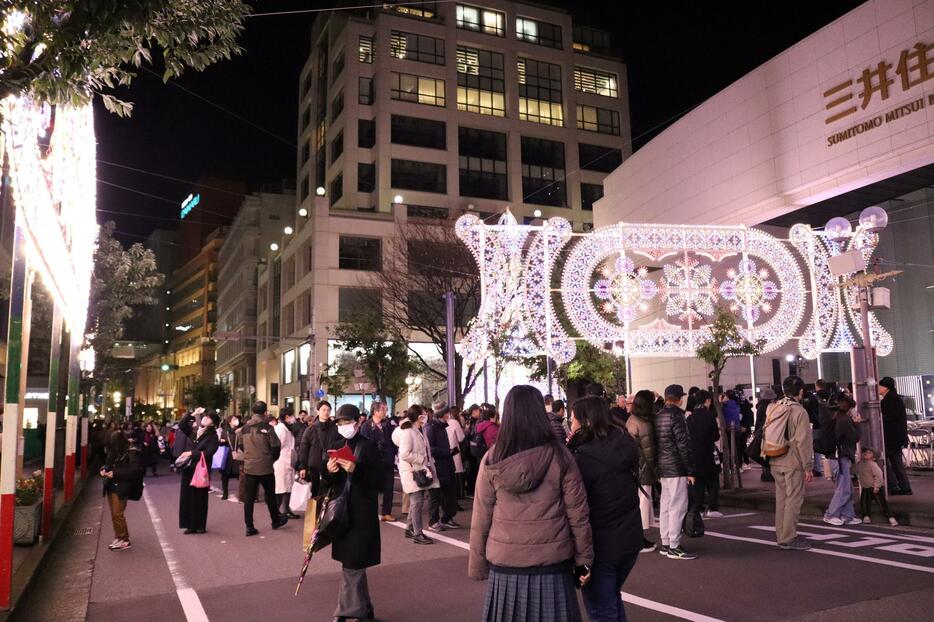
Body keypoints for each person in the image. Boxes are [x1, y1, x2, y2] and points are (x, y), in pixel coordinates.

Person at [469, 385, 593, 622]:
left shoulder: (493, 458)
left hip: (505, 562)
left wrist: (477, 564)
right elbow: (578, 514)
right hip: (552, 562)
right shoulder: (560, 456)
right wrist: (584, 560)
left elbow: (481, 515)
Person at [569, 397, 642, 622]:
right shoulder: (623, 443)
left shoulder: (582, 458)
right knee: (611, 599)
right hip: (630, 538)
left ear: (585, 421)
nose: (570, 424)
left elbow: (577, 507)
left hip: (601, 545)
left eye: (573, 419)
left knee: (602, 609)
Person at [321, 404, 383, 622]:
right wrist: (328, 471)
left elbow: (380, 482)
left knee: (353, 565)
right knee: (352, 563)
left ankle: (345, 611)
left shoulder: (369, 447)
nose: (343, 426)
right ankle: (365, 610)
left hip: (362, 515)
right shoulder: (336, 444)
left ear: (358, 422)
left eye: (346, 422)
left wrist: (356, 470)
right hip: (342, 513)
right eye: (339, 422)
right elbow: (327, 481)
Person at [768, 376, 815, 551]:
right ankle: (788, 537)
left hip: (775, 457)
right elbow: (803, 442)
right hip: (792, 461)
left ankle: (781, 534)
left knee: (781, 499)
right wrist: (808, 467)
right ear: (801, 391)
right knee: (794, 499)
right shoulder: (800, 412)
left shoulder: (774, 407)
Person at [653, 385, 696, 560]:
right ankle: (674, 546)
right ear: (679, 398)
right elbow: (683, 445)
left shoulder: (658, 416)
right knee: (678, 506)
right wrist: (690, 470)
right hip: (676, 467)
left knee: (666, 505)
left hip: (662, 467)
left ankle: (666, 542)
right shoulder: (677, 416)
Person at [237, 401, 288, 536]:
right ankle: (275, 520)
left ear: (253, 412)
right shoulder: (267, 427)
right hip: (266, 466)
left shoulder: (244, 428)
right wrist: (270, 459)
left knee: (249, 498)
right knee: (270, 495)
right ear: (265, 412)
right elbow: (276, 447)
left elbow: (241, 446)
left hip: (249, 467)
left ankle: (249, 526)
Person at [392, 404, 438, 545]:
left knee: (416, 502)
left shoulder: (418, 430)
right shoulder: (409, 432)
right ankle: (417, 533)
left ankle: (410, 528)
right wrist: (421, 459)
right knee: (417, 502)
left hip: (418, 470)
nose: (426, 416)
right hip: (412, 472)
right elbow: (404, 454)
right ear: (418, 416)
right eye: (424, 414)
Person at [624, 390, 658, 553]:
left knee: (638, 504)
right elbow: (649, 452)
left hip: (632, 467)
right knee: (643, 504)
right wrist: (656, 471)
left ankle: (638, 538)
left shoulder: (631, 420)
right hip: (642, 468)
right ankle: (640, 540)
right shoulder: (644, 424)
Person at [177, 410, 219, 534]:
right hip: (189, 468)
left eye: (209, 418)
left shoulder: (213, 436)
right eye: (205, 416)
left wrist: (191, 453)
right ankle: (189, 525)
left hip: (201, 469)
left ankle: (200, 525)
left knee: (200, 497)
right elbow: (182, 425)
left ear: (213, 423)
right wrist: (192, 413)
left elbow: (209, 453)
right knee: (187, 496)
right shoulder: (195, 431)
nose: (205, 418)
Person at [823, 395, 862, 526]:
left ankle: (847, 515)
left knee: (847, 487)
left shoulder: (835, 418)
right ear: (848, 408)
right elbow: (855, 437)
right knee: (844, 488)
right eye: (852, 408)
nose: (853, 411)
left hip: (837, 456)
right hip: (840, 457)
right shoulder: (844, 420)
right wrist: (857, 424)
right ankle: (831, 514)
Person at [101, 430, 143, 551]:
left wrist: (114, 473)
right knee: (115, 514)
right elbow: (107, 464)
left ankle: (124, 539)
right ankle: (119, 536)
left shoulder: (132, 453)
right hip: (111, 485)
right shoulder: (114, 452)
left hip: (122, 486)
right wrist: (104, 469)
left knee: (118, 514)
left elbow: (135, 471)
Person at [360, 400, 398, 521]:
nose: (385, 411)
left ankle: (386, 512)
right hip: (373, 462)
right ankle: (370, 512)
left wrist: (394, 454)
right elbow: (364, 445)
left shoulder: (388, 425)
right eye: (383, 409)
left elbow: (393, 441)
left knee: (389, 487)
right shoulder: (366, 426)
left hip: (388, 460)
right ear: (375, 412)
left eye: (385, 409)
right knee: (373, 488)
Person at [686, 390, 722, 519]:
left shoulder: (690, 418)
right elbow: (716, 436)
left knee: (698, 483)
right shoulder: (710, 416)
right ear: (707, 401)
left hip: (695, 454)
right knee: (713, 481)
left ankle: (698, 508)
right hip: (709, 453)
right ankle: (712, 507)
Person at [425, 402, 459, 531]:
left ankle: (447, 518)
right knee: (435, 496)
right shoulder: (431, 427)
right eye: (447, 412)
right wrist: (446, 452)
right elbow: (430, 448)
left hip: (447, 465)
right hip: (437, 466)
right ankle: (433, 521)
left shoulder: (441, 426)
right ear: (442, 413)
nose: (449, 415)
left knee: (450, 495)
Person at [297, 400, 339, 497]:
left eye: (328, 410)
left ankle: (328, 512)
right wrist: (302, 467)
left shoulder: (335, 429)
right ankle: (315, 512)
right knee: (315, 493)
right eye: (323, 410)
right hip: (315, 466)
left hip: (331, 465)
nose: (326, 412)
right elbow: (304, 448)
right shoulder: (310, 429)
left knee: (330, 492)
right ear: (318, 411)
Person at [879, 377, 912, 495]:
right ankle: (902, 487)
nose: (878, 388)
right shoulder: (894, 398)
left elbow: (889, 417)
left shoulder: (889, 400)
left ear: (885, 387)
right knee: (895, 462)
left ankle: (895, 486)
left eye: (880, 386)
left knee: (888, 462)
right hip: (896, 437)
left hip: (891, 437)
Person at [856, 448, 898, 526]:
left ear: (874, 457)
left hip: (875, 487)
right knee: (864, 502)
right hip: (866, 487)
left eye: (869, 453)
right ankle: (866, 516)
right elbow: (854, 470)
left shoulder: (873, 464)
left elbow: (879, 475)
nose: (866, 453)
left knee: (882, 503)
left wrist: (877, 486)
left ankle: (891, 517)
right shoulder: (860, 464)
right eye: (864, 452)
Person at [273, 410, 299, 519]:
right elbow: (277, 446)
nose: (294, 418)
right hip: (281, 462)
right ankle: (276, 512)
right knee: (280, 488)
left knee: (287, 487)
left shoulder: (287, 429)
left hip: (288, 462)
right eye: (292, 415)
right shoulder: (280, 429)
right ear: (287, 416)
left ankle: (286, 510)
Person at [443, 406, 467, 500]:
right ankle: (457, 496)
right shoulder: (454, 422)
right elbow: (461, 438)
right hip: (454, 451)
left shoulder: (436, 423)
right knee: (456, 474)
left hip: (443, 453)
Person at [755, 387, 776, 482]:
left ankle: (765, 474)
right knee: (768, 455)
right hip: (768, 432)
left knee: (764, 454)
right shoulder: (769, 406)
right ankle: (767, 474)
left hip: (762, 432)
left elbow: (758, 421)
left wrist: (756, 432)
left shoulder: (760, 406)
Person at [218, 414, 241, 500]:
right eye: (234, 419)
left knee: (240, 475)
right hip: (228, 455)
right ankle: (225, 492)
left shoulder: (239, 431)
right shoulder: (225, 431)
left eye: (237, 419)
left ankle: (242, 494)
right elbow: (221, 442)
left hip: (238, 454)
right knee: (225, 475)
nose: (236, 420)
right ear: (230, 421)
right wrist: (221, 441)